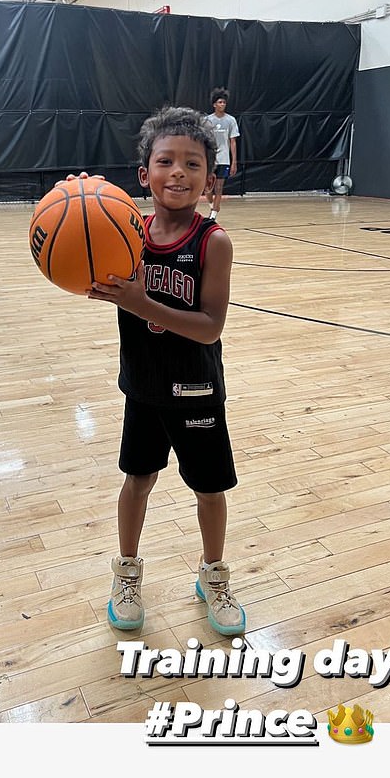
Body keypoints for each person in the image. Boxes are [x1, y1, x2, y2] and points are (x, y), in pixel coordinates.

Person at [86, 106, 246, 637]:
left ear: (209, 176)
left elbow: (209, 328)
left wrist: (137, 300)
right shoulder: (122, 234)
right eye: (166, 161)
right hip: (143, 388)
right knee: (137, 479)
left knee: (209, 488)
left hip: (197, 389)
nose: (178, 172)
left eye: (193, 163)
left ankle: (213, 574)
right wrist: (81, 203)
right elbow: (80, 259)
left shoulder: (213, 242)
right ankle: (127, 571)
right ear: (144, 174)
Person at [205, 87, 240, 220]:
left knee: (219, 187)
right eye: (220, 102)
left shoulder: (231, 120)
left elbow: (233, 142)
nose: (222, 105)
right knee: (207, 187)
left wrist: (234, 162)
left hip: (224, 159)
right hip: (210, 159)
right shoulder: (208, 120)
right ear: (214, 104)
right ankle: (212, 205)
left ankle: (213, 215)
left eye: (224, 102)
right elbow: (204, 141)